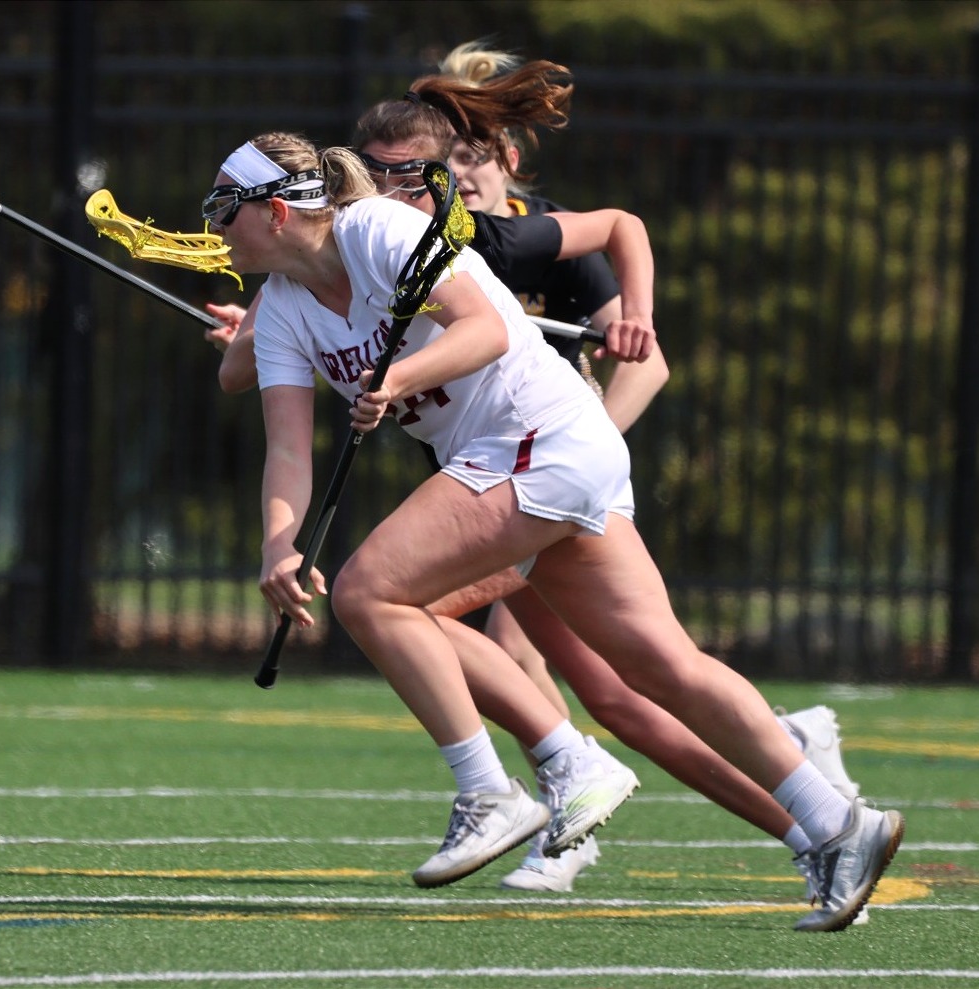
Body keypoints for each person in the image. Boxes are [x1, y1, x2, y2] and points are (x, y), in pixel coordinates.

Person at [204, 99, 902, 934]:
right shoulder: (281, 307)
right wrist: (278, 544)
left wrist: (392, 381)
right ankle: (837, 826)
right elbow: (288, 450)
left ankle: (495, 790)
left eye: (223, 211)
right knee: (663, 670)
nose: (215, 231)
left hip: (538, 437)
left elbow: (489, 327)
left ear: (276, 209)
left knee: (371, 593)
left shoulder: (379, 231)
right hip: (535, 458)